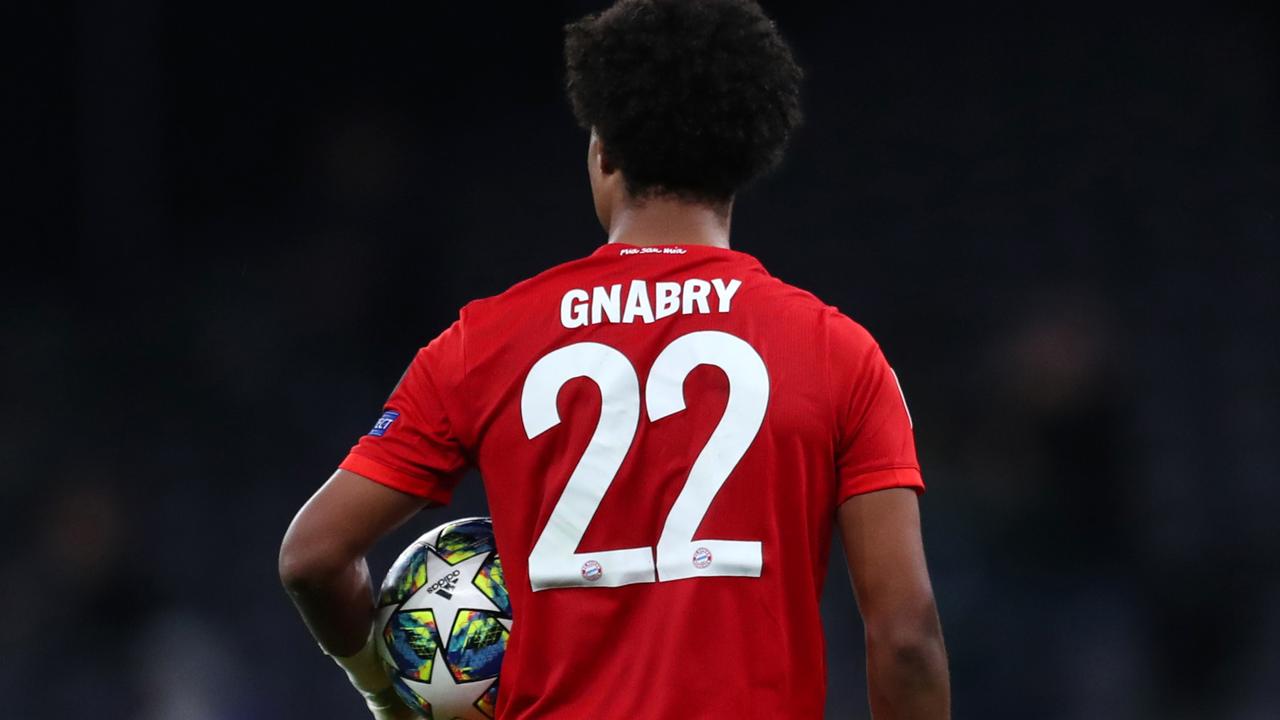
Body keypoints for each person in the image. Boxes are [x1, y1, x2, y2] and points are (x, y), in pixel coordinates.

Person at [279, 0, 950, 717]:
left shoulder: (483, 342)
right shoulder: (837, 353)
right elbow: (905, 634)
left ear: (602, 152)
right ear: (741, 163)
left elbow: (313, 557)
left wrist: (383, 690)